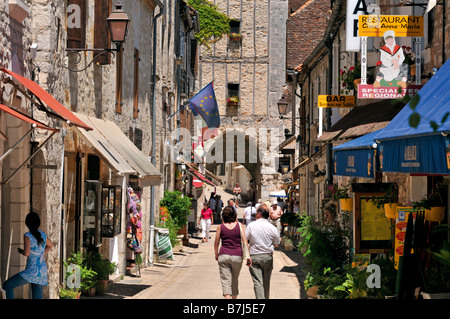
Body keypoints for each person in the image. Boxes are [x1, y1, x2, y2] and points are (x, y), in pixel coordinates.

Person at [2, 212, 53, 299]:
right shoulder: (43, 235)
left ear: (27, 223)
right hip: (42, 271)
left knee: (7, 285)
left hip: (32, 270)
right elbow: (50, 245)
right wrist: (41, 253)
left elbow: (26, 253)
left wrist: (21, 251)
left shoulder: (27, 236)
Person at [214, 206, 251, 299]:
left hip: (223, 255)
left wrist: (216, 254)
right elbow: (245, 241)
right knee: (234, 279)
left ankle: (227, 298)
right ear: (234, 215)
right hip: (237, 256)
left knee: (226, 280)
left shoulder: (220, 227)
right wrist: (248, 256)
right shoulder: (240, 226)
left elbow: (216, 243)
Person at [245, 204, 280, 299]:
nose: (255, 214)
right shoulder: (272, 228)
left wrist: (246, 256)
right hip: (268, 257)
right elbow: (277, 243)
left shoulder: (251, 226)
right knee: (266, 282)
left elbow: (244, 240)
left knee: (258, 283)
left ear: (259, 214)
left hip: (255, 256)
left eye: (256, 212)